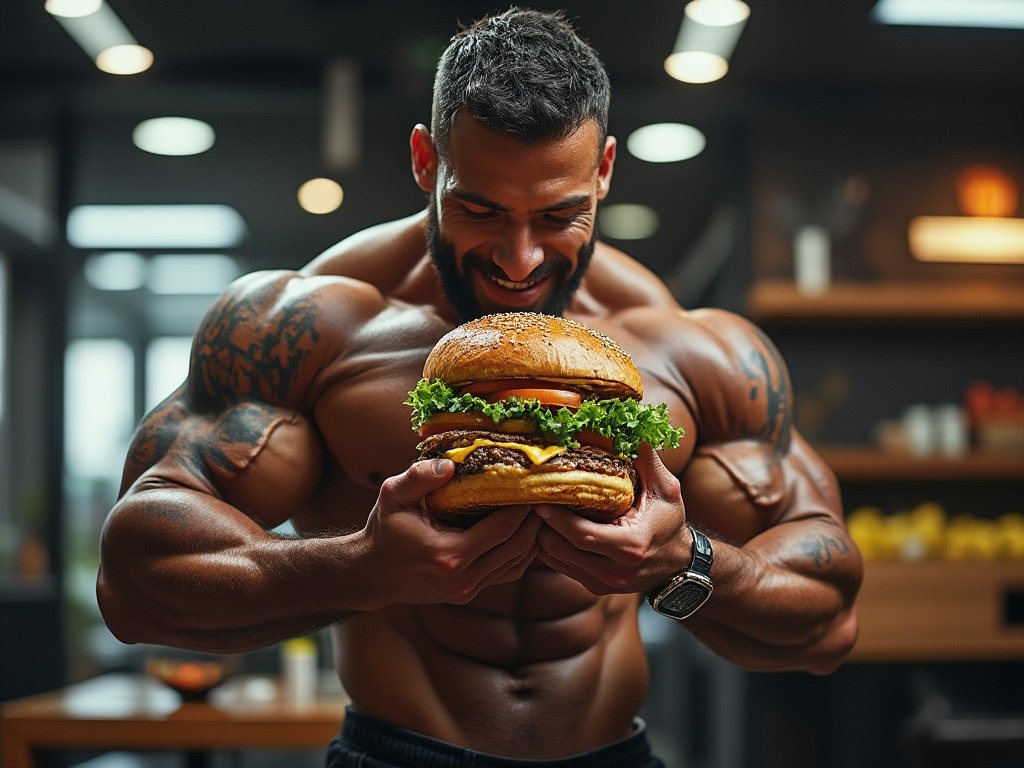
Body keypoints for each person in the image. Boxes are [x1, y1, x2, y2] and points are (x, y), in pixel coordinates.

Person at [97, 8, 862, 767]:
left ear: (604, 172)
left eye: (559, 216)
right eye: (479, 209)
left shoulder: (692, 351)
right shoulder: (303, 327)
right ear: (427, 162)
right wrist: (362, 570)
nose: (521, 261)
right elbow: (132, 585)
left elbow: (828, 622)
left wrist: (688, 562)